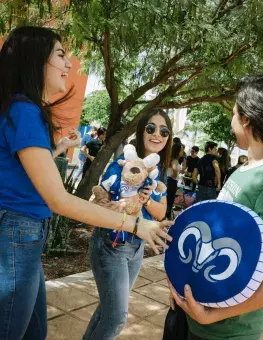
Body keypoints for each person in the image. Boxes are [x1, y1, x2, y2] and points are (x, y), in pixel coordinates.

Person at [0, 26, 172, 340]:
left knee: (34, 332)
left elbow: (23, 174)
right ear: (34, 60)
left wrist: (56, 150)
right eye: (61, 55)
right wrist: (133, 225)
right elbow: (60, 200)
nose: (69, 65)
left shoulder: (23, 110)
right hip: (16, 234)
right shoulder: (24, 111)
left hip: (25, 235)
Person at [168, 75, 263, 340]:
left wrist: (212, 315)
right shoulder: (246, 168)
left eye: (234, 113)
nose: (231, 121)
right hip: (194, 318)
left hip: (227, 332)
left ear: (246, 119)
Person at [83, 108, 172, 340]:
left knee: (107, 311)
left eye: (164, 131)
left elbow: (161, 212)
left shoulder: (157, 170)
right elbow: (98, 202)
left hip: (136, 248)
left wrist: (145, 200)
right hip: (111, 245)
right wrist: (120, 204)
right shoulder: (121, 164)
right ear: (141, 131)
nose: (157, 135)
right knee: (117, 317)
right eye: (151, 129)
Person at [166, 143, 184, 219]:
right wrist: (175, 174)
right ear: (178, 151)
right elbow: (174, 167)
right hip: (172, 181)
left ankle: (166, 215)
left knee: (168, 199)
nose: (182, 152)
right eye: (181, 151)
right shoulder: (175, 160)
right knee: (170, 199)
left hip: (168, 180)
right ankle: (167, 215)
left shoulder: (170, 158)